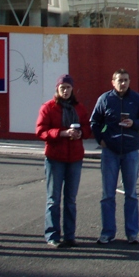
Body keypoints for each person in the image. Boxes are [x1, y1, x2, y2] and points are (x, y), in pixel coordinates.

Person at [90, 69, 139, 244]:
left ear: (129, 81)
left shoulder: (137, 99)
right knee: (108, 195)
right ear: (113, 82)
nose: (122, 83)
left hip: (131, 151)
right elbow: (94, 121)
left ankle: (132, 233)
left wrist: (134, 123)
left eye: (125, 80)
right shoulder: (105, 99)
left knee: (131, 194)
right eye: (119, 80)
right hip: (110, 151)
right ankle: (107, 232)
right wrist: (101, 139)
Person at [36, 73, 91, 247]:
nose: (65, 91)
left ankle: (69, 235)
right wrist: (62, 133)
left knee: (71, 199)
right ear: (57, 89)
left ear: (72, 89)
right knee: (54, 198)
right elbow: (41, 131)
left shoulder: (79, 108)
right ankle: (52, 235)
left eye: (68, 88)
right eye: (62, 88)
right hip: (55, 157)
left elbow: (88, 129)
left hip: (74, 157)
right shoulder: (48, 107)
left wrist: (80, 132)